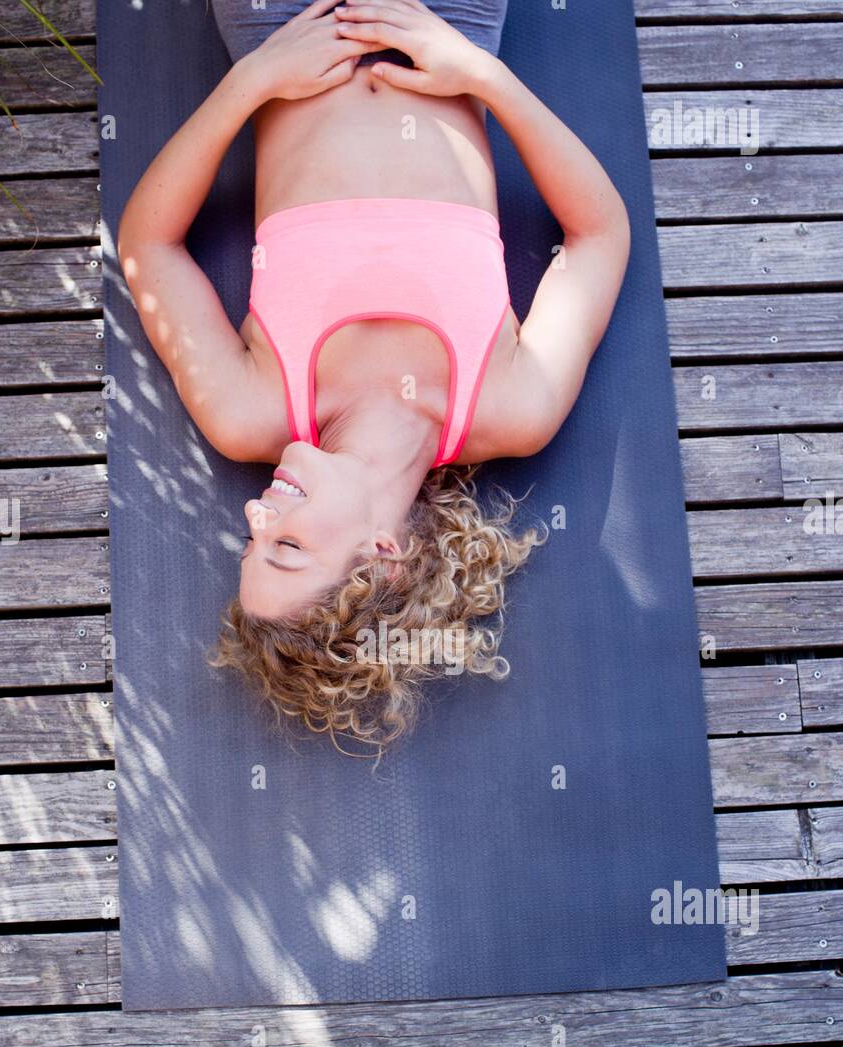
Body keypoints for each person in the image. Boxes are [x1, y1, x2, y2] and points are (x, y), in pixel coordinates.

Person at [118, 0, 630, 751]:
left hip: (279, 24)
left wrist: (253, 81)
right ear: (382, 556)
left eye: (251, 541)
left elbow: (147, 248)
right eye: (287, 547)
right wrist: (482, 76)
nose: (258, 517)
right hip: (445, 20)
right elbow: (598, 236)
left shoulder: (248, 412)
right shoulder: (511, 406)